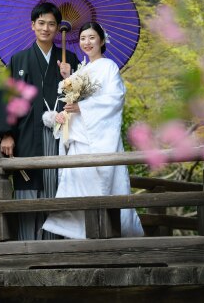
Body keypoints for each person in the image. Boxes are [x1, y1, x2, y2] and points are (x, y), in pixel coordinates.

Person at [0, 2, 80, 240]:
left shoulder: (70, 59)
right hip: (28, 133)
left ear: (58, 28)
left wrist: (72, 77)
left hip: (62, 133)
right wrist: (7, 133)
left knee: (59, 185)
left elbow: (82, 99)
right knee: (29, 186)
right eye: (41, 23)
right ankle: (28, 245)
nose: (46, 28)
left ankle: (58, 249)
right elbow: (8, 97)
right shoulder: (19, 60)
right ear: (32, 26)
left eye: (51, 24)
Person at [42, 22, 144, 239]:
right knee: (78, 185)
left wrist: (82, 107)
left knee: (101, 185)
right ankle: (80, 237)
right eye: (83, 38)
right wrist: (67, 80)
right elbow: (72, 102)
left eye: (91, 38)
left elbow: (114, 99)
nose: (86, 42)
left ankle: (108, 235)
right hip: (79, 136)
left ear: (101, 40)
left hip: (99, 136)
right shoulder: (81, 70)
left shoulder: (109, 67)